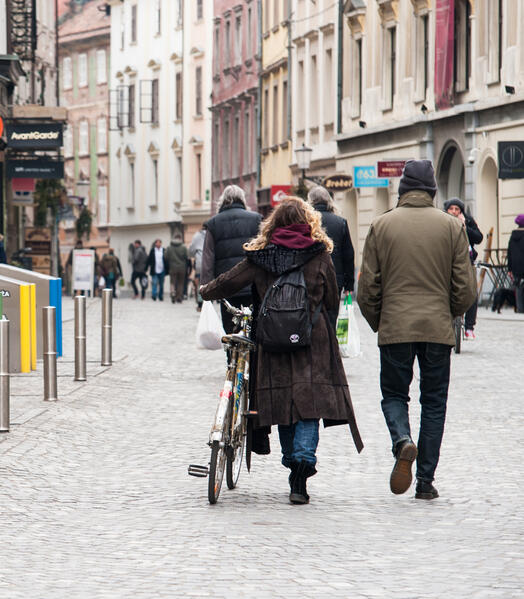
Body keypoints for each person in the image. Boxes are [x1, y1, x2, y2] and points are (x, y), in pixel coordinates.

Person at [199, 197, 363, 505]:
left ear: (274, 223)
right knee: (309, 405)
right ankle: (301, 467)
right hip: (312, 341)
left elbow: (230, 281)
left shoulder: (262, 255)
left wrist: (205, 291)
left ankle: (293, 461)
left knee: (284, 405)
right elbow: (330, 300)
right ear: (309, 222)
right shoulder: (320, 254)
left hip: (272, 339)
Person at [357, 159, 476, 501]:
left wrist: (382, 320)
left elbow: (368, 288)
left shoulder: (381, 225)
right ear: (433, 190)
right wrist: (449, 314)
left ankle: (401, 441)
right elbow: (465, 288)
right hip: (438, 328)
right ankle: (425, 481)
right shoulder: (452, 227)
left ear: (403, 189)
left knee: (395, 395)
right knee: (434, 402)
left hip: (396, 325)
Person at [201, 185, 262, 332]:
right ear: (242, 199)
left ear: (222, 201)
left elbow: (208, 258)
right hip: (252, 285)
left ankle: (231, 354)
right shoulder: (256, 219)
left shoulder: (214, 223)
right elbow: (263, 250)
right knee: (254, 327)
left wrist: (206, 286)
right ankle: (251, 354)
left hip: (226, 287)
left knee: (230, 329)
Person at [308, 186, 355, 327]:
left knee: (311, 313)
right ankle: (330, 344)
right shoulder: (340, 222)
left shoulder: (307, 221)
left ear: (310, 202)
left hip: (311, 276)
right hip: (335, 278)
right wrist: (349, 284)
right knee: (331, 315)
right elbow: (348, 254)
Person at [444, 198, 483, 339]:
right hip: (447, 263)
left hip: (467, 262)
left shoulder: (468, 221)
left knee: (472, 292)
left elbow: (479, 238)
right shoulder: (442, 221)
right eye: (451, 209)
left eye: (457, 209)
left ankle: (469, 327)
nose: (454, 212)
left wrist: (465, 226)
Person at [167, 234, 189, 303]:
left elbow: (165, 257)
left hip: (172, 267)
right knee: (180, 283)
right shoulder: (183, 247)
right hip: (182, 267)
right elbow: (187, 256)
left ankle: (173, 293)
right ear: (180, 238)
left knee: (172, 282)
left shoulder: (169, 247)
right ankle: (179, 297)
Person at [509, 214, 524, 313]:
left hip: (515, 266)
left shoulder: (513, 235)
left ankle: (520, 308)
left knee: (518, 287)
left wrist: (509, 268)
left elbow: (509, 252)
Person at [189, 228, 207, 308]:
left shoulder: (197, 236)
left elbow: (191, 251)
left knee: (200, 283)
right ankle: (210, 301)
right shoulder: (214, 233)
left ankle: (200, 303)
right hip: (212, 262)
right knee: (211, 282)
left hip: (200, 262)